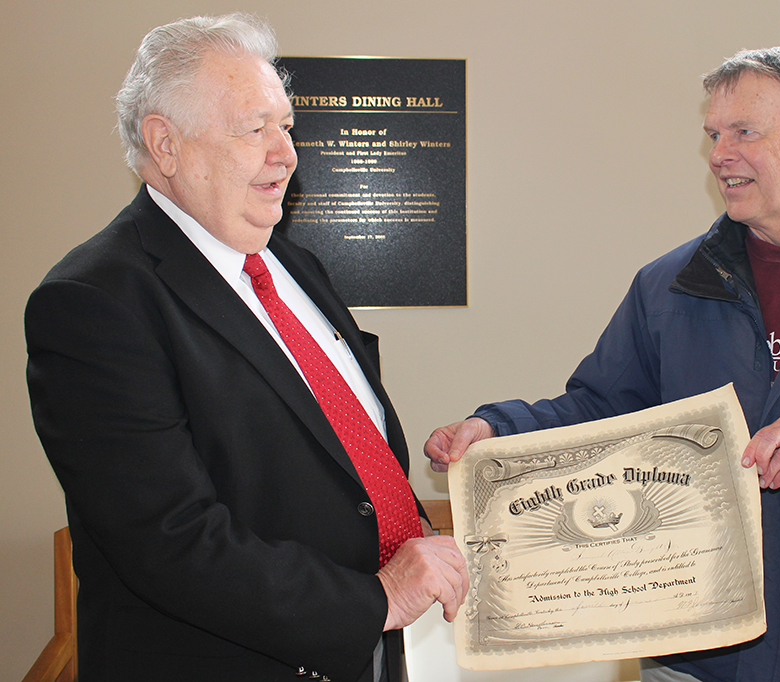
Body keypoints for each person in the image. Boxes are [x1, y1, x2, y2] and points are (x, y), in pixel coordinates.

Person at [425, 46, 780, 682]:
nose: (720, 154)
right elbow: (601, 408)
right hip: (691, 658)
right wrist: (500, 431)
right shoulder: (666, 286)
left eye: (745, 132)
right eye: (713, 135)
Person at [26, 13, 466, 682]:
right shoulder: (94, 302)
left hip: (367, 654)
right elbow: (170, 541)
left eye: (285, 126)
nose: (286, 152)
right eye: (253, 128)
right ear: (165, 144)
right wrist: (376, 597)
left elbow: (338, 461)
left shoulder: (293, 265)